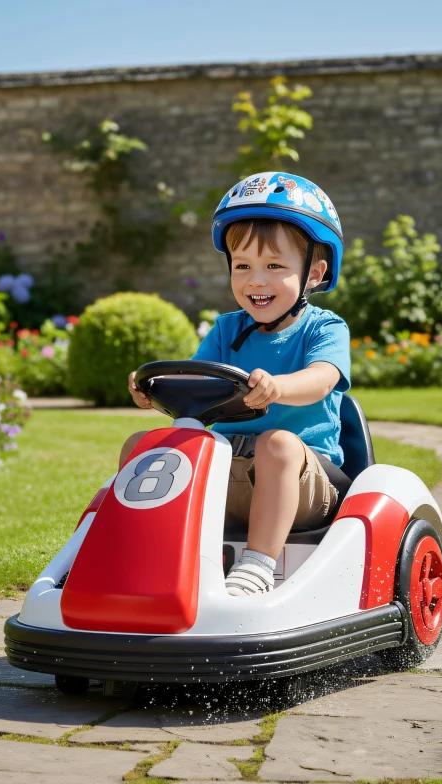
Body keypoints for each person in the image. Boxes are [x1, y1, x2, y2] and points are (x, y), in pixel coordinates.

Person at [123, 172, 350, 597]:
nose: (256, 280)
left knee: (277, 444)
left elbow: (322, 380)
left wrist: (280, 387)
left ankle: (258, 567)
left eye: (275, 267)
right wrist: (152, 387)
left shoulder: (325, 328)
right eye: (243, 266)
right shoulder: (227, 330)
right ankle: (138, 555)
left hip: (305, 484)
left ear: (314, 274)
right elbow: (192, 380)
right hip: (227, 474)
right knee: (145, 445)